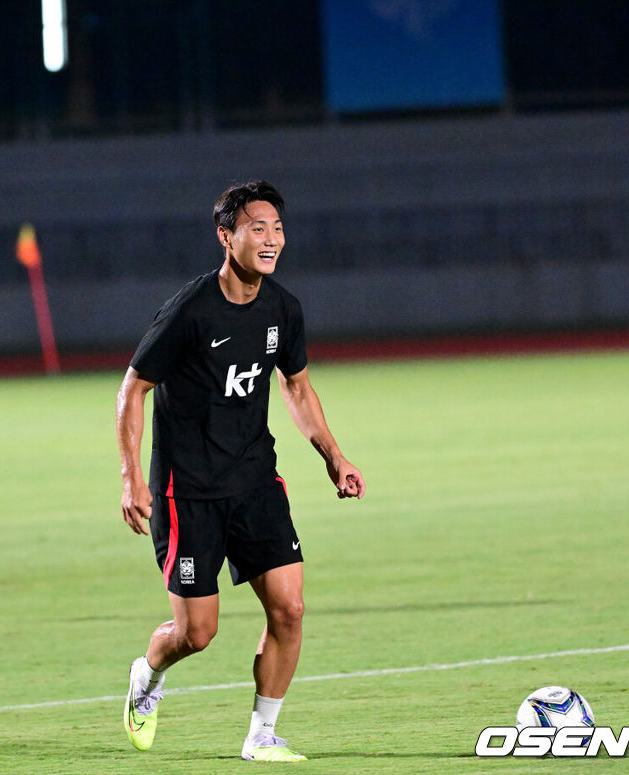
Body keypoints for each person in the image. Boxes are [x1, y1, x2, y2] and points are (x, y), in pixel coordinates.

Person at [117, 180, 365, 762]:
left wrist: (335, 456)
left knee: (290, 608)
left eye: (277, 228)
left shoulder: (283, 309)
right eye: (258, 228)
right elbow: (134, 389)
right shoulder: (190, 310)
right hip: (189, 492)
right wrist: (131, 477)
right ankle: (147, 675)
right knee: (197, 633)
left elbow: (297, 385)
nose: (272, 239)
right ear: (226, 236)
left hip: (255, 480)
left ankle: (262, 734)